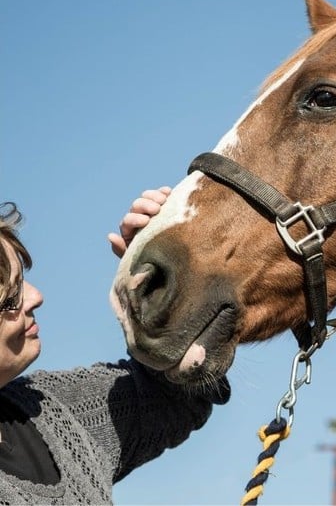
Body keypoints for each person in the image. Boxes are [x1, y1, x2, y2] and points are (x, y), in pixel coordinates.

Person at [0, 187, 229, 504]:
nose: (36, 297)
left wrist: (161, 286)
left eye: (25, 281)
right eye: (12, 297)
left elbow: (179, 394)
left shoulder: (54, 410)